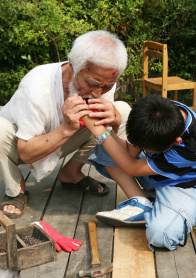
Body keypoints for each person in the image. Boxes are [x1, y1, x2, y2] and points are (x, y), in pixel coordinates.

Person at [0, 30, 131, 218]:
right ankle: (15, 189)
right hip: (17, 148)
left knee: (122, 110)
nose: (98, 92)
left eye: (108, 85)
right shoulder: (37, 84)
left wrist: (116, 123)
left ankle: (71, 172)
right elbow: (26, 154)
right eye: (93, 83)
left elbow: (104, 130)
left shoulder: (103, 80)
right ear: (72, 65)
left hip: (62, 141)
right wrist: (66, 128)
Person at [82, 94, 196, 251]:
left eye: (146, 148)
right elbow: (131, 153)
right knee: (107, 147)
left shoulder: (191, 146)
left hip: (183, 183)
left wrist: (100, 132)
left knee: (161, 234)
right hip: (156, 170)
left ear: (176, 141)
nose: (141, 147)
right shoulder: (156, 110)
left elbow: (131, 167)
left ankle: (175, 210)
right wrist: (105, 127)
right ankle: (143, 203)